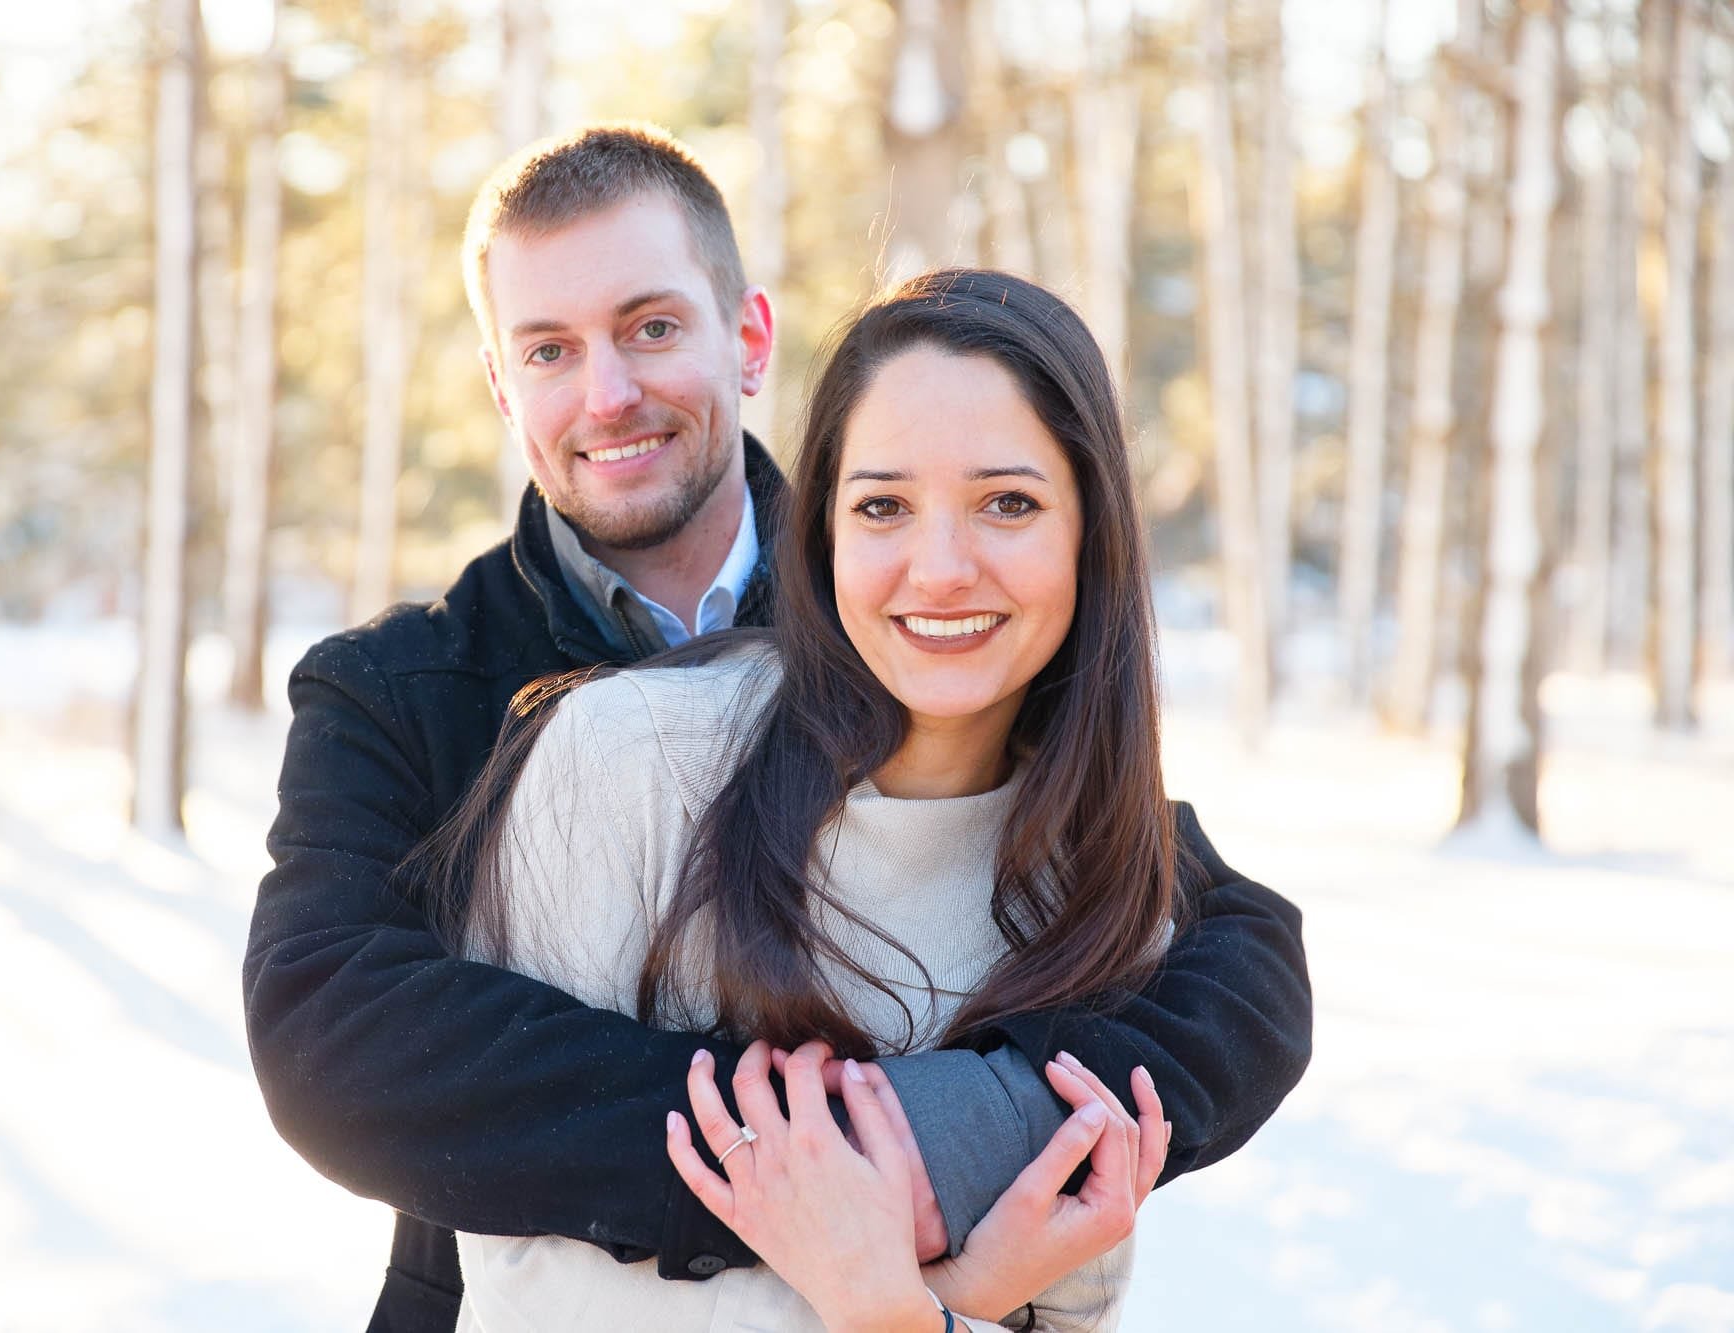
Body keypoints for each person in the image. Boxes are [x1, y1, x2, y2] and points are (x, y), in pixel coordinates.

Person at [243, 123, 1312, 1333]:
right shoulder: (402, 687)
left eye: (651, 327)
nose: (608, 393)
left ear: (746, 339)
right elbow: (333, 1032)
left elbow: (1227, 945)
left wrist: (968, 1130)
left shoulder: (902, 589)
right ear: (502, 386)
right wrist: (827, 1169)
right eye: (548, 350)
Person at [426, 266, 1193, 1331]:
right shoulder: (622, 756)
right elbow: (522, 1273)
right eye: (882, 505)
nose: (937, 568)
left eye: (1006, 502)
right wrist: (929, 1301)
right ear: (822, 532)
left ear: (1089, 531)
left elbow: (1072, 1301)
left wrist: (899, 1308)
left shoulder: (1105, 885)